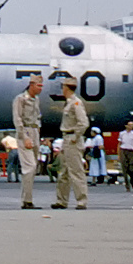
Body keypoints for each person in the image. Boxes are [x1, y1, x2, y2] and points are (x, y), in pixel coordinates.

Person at [51, 77, 90, 210]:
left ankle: (81, 201)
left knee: (76, 171)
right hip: (67, 139)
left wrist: (75, 136)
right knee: (64, 172)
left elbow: (84, 122)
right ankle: (61, 200)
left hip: (72, 139)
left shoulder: (76, 103)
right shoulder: (69, 103)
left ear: (66, 88)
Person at [13, 73, 43, 209]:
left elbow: (38, 118)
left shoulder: (36, 100)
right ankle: (27, 201)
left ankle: (26, 199)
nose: (41, 88)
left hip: (35, 132)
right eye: (38, 85)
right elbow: (18, 119)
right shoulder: (20, 99)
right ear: (31, 85)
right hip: (25, 132)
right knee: (29, 167)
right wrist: (24, 137)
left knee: (33, 168)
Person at [117, 120, 133, 192]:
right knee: (124, 168)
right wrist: (119, 154)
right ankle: (127, 186)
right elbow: (119, 144)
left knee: (131, 168)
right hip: (123, 150)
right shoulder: (122, 133)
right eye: (130, 125)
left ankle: (132, 180)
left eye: (132, 125)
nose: (131, 126)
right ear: (126, 126)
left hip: (131, 151)